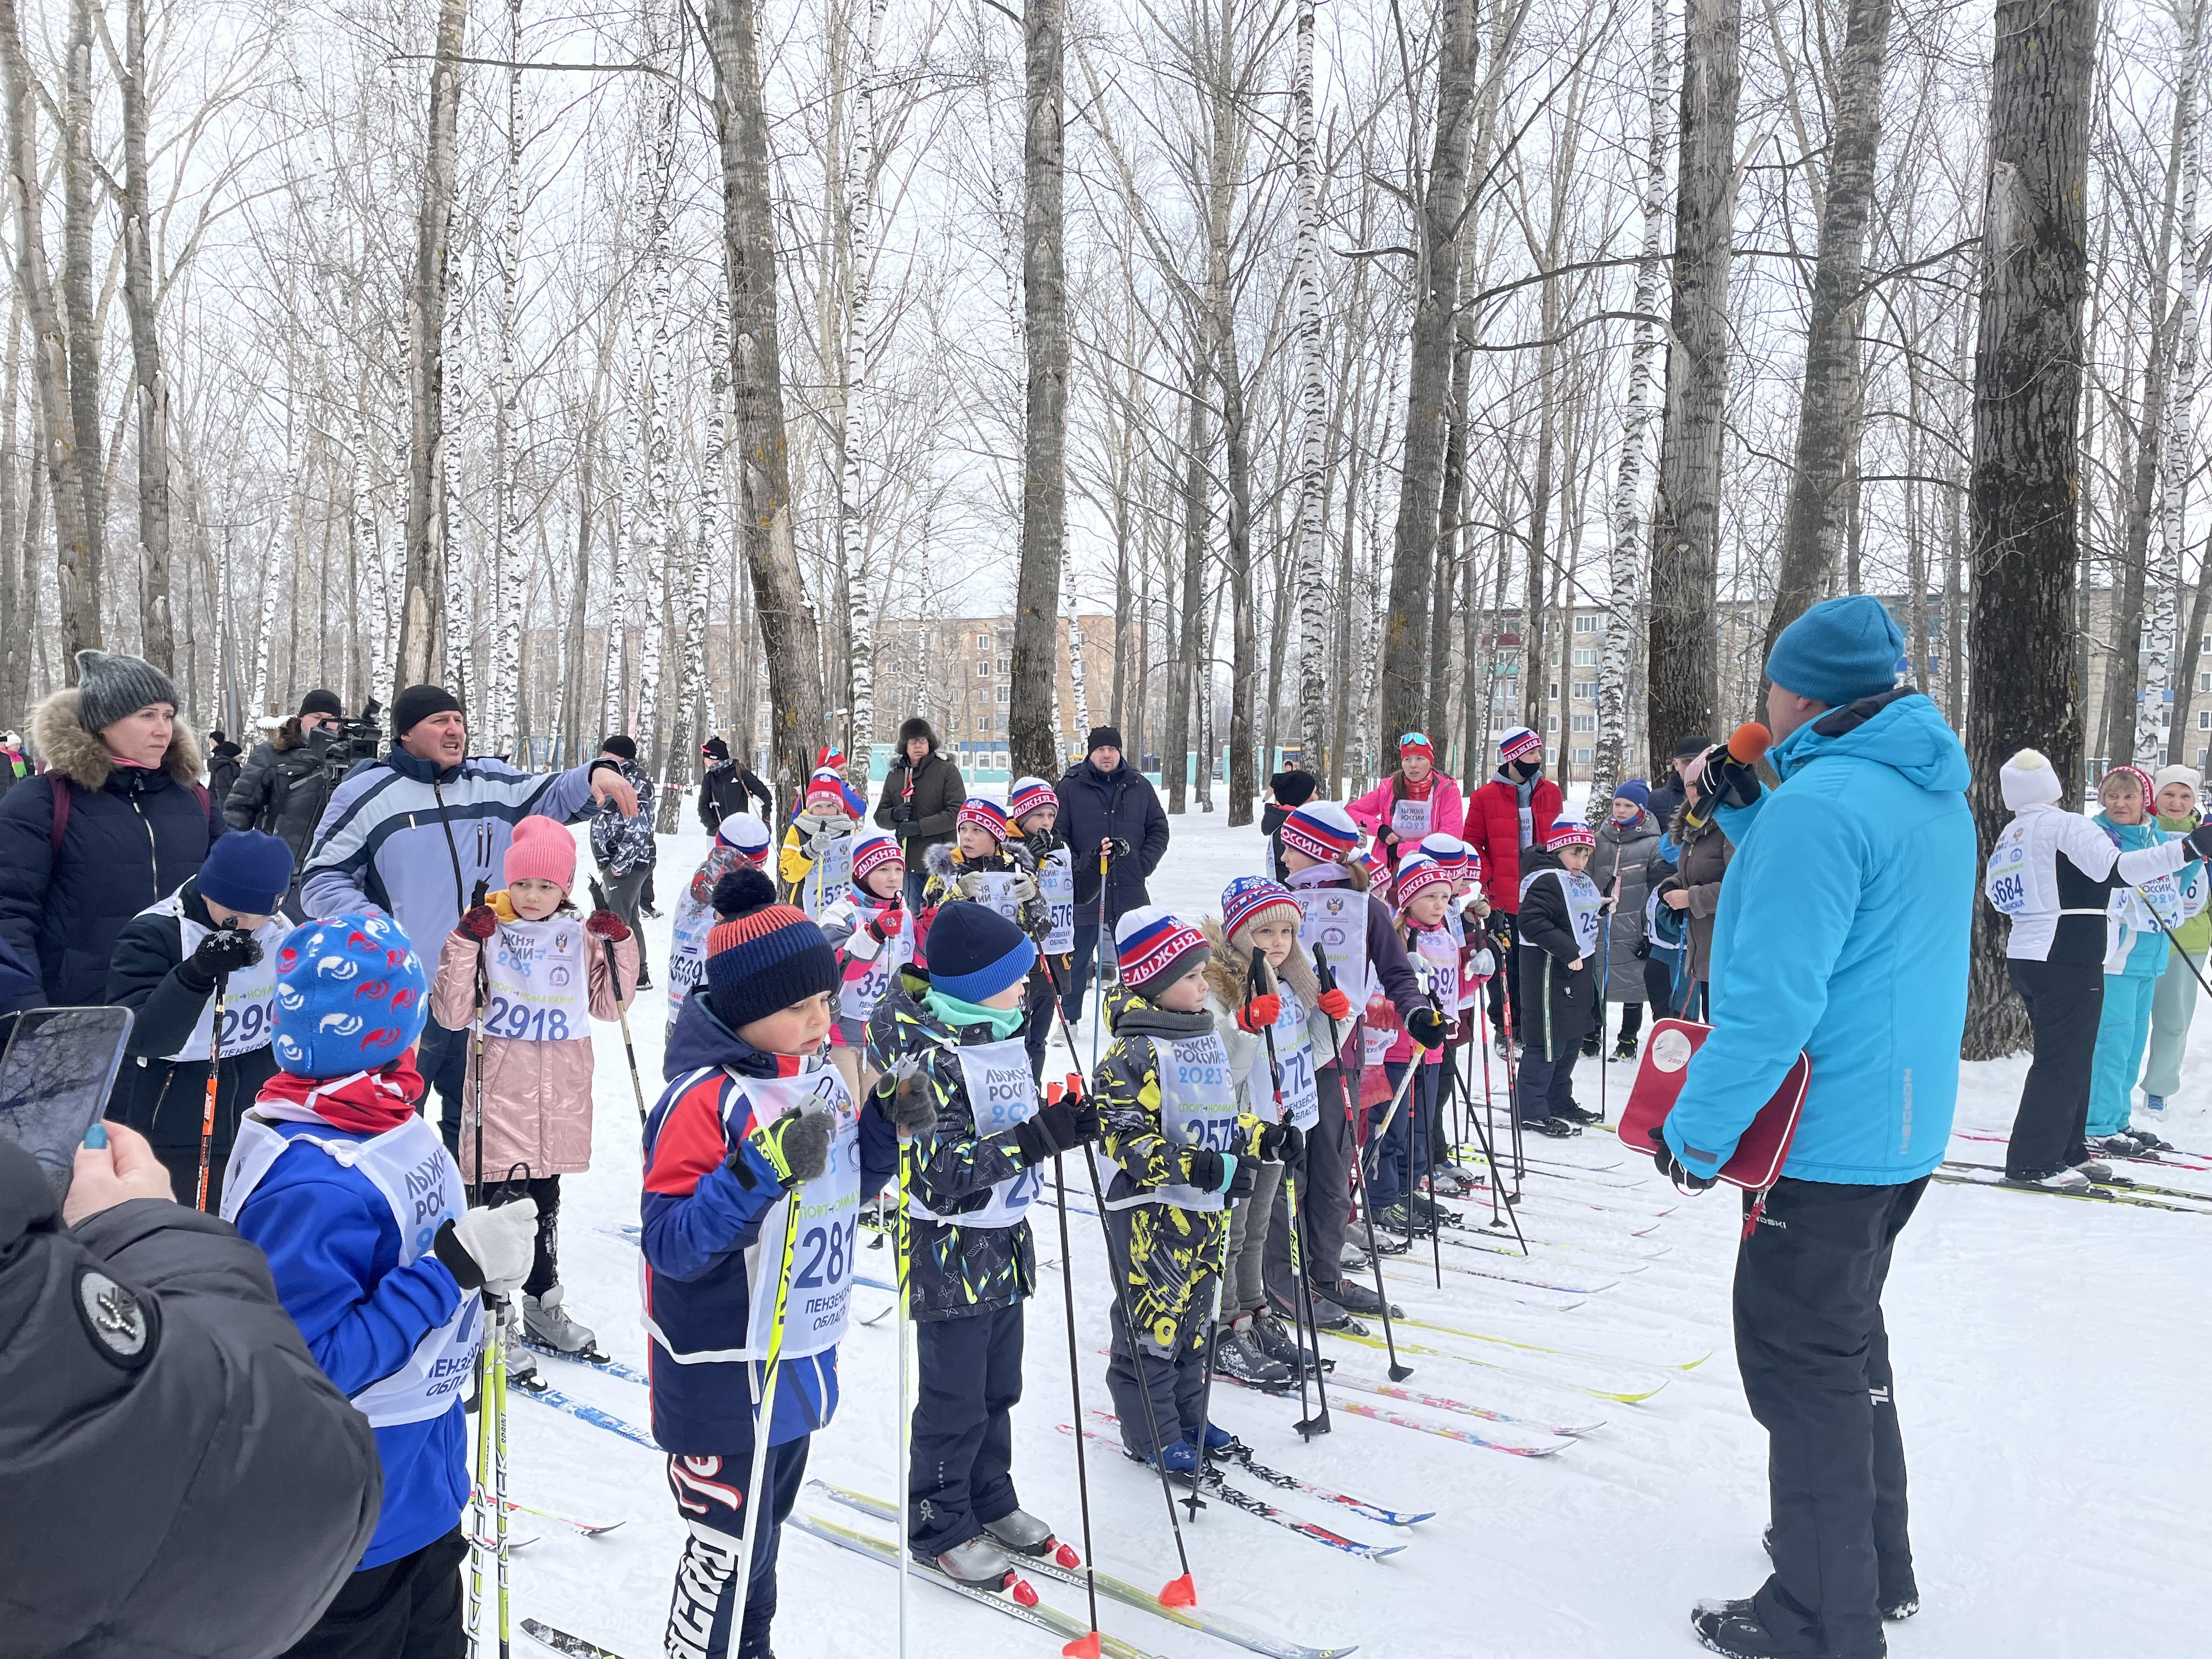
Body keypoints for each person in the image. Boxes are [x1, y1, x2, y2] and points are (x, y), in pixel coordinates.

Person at [1653, 594, 1974, 1659]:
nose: (1765, 703)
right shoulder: (1921, 787)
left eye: (1773, 686)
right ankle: (1870, 1563)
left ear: (1803, 694)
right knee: (1846, 1343)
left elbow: (1774, 1002)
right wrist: (1754, 814)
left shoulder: (1820, 807)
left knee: (1798, 1362)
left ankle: (1820, 1618)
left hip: (1824, 1136)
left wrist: (1696, 1134)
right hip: (1898, 1127)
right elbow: (1858, 905)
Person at [223, 913, 541, 1659]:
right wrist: (453, 1271)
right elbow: (310, 1366)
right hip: (343, 1526)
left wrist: (482, 1271)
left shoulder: (388, 1120)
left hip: (422, 1491)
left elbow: (420, 1248)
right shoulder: (312, 1181)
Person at [639, 867, 905, 1659]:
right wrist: (756, 1172)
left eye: (825, 1002)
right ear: (750, 1012)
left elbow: (842, 1185)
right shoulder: (701, 1100)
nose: (822, 1021)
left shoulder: (817, 1078)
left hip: (794, 1362)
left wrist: (888, 1128)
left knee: (764, 1542)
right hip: (723, 1375)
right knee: (725, 1553)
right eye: (800, 1008)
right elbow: (673, 1244)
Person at [2, 1117, 383, 1659]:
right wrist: (146, 1230)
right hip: (319, 1541)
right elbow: (292, 1457)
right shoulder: (309, 1178)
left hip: (411, 1500)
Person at [299, 682, 640, 1155]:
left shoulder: (492, 783)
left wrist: (595, 773)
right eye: (440, 721)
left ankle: (477, 1221)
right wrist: (380, 931)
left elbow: (557, 791)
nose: (454, 729)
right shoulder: (366, 793)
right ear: (406, 735)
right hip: (406, 994)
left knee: (483, 1127)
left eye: (458, 720)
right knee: (399, 1122)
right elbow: (320, 879)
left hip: (489, 990)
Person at [873, 900, 1101, 1582]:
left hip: (1004, 1240)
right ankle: (939, 1522)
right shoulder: (917, 1061)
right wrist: (1035, 1139)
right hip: (948, 1251)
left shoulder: (999, 1034)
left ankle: (988, 1496)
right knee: (954, 1397)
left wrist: (1060, 1122)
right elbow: (936, 1171)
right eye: (1015, 977)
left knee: (1000, 1386)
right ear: (973, 985)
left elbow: (1016, 1123)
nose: (1027, 987)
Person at [434, 816, 639, 1377]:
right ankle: (489, 1318)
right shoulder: (487, 929)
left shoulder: (577, 935)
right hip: (500, 1088)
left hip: (561, 1092)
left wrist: (618, 942)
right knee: (498, 1208)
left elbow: (609, 1006)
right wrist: (462, 942)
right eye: (523, 884)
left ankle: (542, 1302)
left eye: (546, 886)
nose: (532, 897)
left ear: (565, 889)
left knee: (544, 1203)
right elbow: (451, 1013)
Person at [1095, 907, 1288, 1469]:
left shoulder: (1200, 1038)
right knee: (1153, 1326)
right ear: (1155, 985)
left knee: (1196, 1324)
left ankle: (1188, 1415)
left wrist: (1265, 1140)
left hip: (1206, 1210)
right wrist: (1191, 1166)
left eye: (1203, 975)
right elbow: (1125, 1141)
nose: (1205, 987)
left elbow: (1220, 1118)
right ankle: (1151, 1432)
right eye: (1191, 978)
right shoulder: (1132, 1055)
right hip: (1152, 1217)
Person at [1987, 748, 2212, 1189]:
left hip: (2029, 954)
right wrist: (2190, 848)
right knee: (2060, 1062)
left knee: (2072, 1058)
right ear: (2052, 787)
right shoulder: (2065, 824)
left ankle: (2070, 1150)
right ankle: (2034, 1162)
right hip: (2068, 953)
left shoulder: (2012, 833)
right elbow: (2122, 869)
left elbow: (1999, 897)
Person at [1268, 800, 1441, 1327]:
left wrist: (1416, 1015)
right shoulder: (1274, 903)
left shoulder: (1365, 907)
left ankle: (1324, 1273)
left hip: (1339, 1052)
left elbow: (1396, 973)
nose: (1281, 852)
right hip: (1281, 1056)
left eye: (1290, 844)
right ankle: (1278, 1283)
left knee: (1331, 1165)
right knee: (1279, 1172)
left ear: (1311, 848)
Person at [0, 650, 223, 1007]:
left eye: (168, 715)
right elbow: (9, 916)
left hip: (183, 1010)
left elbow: (226, 896)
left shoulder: (195, 799)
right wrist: (26, 1016)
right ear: (102, 722)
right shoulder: (44, 800)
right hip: (81, 1015)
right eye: (146, 715)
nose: (162, 729)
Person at [105, 828, 297, 1204]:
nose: (251, 926)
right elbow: (144, 1038)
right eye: (237, 915)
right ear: (209, 891)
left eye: (264, 913)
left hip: (257, 1113)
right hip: (177, 1121)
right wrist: (196, 973)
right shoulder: (156, 933)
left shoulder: (280, 929)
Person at [1200, 877, 1319, 1386]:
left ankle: (1255, 1309)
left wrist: (1339, 1017)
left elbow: (1308, 1058)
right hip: (1243, 1127)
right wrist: (1245, 1026)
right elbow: (1221, 1072)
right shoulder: (1219, 987)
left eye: (1286, 932)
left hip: (1279, 1123)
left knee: (1261, 1227)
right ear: (1239, 934)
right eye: (1264, 931)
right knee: (1234, 1229)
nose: (1277, 943)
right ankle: (1226, 1325)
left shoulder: (1292, 985)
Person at [2082, 763, 2193, 1156]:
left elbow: (2182, 870)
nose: (2120, 803)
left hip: (2150, 957)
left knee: (2132, 1045)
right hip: (2115, 959)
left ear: (2144, 800)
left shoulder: (2154, 836)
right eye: (2112, 795)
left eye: (2129, 796)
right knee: (2110, 1044)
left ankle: (2117, 1119)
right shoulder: (2100, 836)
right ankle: (2096, 1123)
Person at [1054, 727, 1171, 1030]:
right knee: (1077, 958)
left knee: (1137, 955)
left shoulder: (1139, 785)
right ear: (1090, 753)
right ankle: (1069, 1018)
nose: (1107, 755)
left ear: (1120, 752)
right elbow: (1059, 835)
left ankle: (1140, 1016)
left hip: (1130, 886)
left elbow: (1159, 829)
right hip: (1085, 887)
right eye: (1100, 750)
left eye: (1112, 749)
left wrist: (1142, 863)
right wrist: (1081, 865)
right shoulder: (1069, 788)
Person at [1462, 726, 1561, 1053]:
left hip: (1543, 895)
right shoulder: (1484, 797)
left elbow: (1559, 841)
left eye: (1538, 752)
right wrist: (1489, 878)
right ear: (1513, 757)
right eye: (1532, 754)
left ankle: (1538, 1024)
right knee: (1506, 966)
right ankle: (1507, 1027)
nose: (1538, 759)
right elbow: (1472, 844)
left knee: (1539, 964)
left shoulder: (1551, 793)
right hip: (1502, 898)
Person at [1514, 821, 1606, 1138]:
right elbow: (1531, 921)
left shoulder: (1575, 880)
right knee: (1547, 1041)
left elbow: (1574, 913)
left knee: (1572, 1037)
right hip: (1549, 971)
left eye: (1585, 855)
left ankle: (1558, 1099)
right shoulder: (1547, 880)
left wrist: (1601, 908)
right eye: (1574, 853)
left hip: (1575, 972)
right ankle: (1531, 1109)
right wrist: (1567, 950)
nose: (1580, 861)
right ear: (1557, 850)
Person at [223, 690, 355, 901]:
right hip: (281, 874)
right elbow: (239, 809)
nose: (325, 725)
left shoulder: (352, 760)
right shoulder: (271, 755)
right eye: (317, 717)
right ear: (301, 718)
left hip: (335, 877)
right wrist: (233, 859)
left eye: (332, 720)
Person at [2140, 764, 2211, 1119]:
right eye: (2169, 793)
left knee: (2173, 1021)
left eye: (2185, 796)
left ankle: (2159, 1089)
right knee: (2126, 1021)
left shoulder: (2205, 837)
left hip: (2189, 943)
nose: (2177, 802)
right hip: (2139, 940)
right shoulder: (2142, 834)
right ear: (2156, 796)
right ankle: (2111, 1088)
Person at [669, 811, 774, 1027]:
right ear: (761, 859)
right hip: (723, 1018)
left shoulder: (692, 887)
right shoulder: (751, 901)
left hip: (680, 1006)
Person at [1654, 758, 1734, 1022]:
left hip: (1730, 949)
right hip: (1704, 947)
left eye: (1702, 784)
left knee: (1724, 1027)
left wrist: (1691, 897)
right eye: (1690, 784)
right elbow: (1698, 871)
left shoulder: (1731, 827)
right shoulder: (1696, 823)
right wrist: (1675, 883)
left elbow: (1743, 889)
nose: (1696, 791)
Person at [1008, 775, 1077, 1079]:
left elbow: (1080, 893)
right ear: (1022, 815)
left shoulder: (1061, 846)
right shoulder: (1007, 846)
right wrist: (1031, 857)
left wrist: (1103, 863)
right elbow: (1008, 887)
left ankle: (1034, 1092)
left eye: (1051, 814)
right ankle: (1017, 1091)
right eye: (1038, 815)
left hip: (1055, 953)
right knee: (1017, 1036)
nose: (1046, 821)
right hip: (1025, 957)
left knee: (1039, 1037)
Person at [918, 798, 1050, 956]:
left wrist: (1033, 899)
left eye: (977, 830)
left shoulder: (1016, 869)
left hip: (1008, 966)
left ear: (994, 835)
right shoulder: (946, 870)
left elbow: (1040, 933)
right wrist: (957, 892)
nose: (967, 837)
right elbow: (927, 927)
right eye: (963, 829)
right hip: (961, 967)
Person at [819, 831, 912, 1049]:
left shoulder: (904, 913)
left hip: (889, 1029)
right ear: (863, 873)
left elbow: (914, 963)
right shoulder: (841, 913)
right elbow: (836, 970)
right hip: (844, 1028)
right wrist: (874, 935)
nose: (894, 878)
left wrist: (927, 930)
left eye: (899, 869)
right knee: (848, 1084)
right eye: (883, 869)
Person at [1592, 780, 1662, 1059]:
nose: (1620, 810)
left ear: (1641, 810)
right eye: (1617, 804)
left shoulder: (1653, 844)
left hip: (1635, 924)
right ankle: (1591, 1034)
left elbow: (1657, 887)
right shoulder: (1599, 839)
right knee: (1596, 981)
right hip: (1598, 923)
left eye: (1628, 806)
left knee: (1633, 984)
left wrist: (1649, 930)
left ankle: (1627, 1040)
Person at [875, 717, 967, 911]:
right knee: (914, 917)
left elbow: (956, 813)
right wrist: (894, 815)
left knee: (941, 916)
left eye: (923, 740)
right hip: (909, 863)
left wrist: (919, 827)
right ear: (905, 745)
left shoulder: (946, 771)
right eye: (913, 741)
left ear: (930, 743)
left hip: (941, 863)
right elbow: (880, 816)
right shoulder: (896, 775)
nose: (918, 745)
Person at [1346, 732, 1466, 875]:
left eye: (1420, 758)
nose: (1413, 765)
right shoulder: (1388, 788)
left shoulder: (1447, 791)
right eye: (1407, 759)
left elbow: (1450, 837)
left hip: (1433, 870)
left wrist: (1402, 850)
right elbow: (1351, 812)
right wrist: (1380, 829)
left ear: (1430, 761)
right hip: (1389, 870)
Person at [589, 735, 658, 984]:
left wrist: (619, 865)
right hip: (618, 861)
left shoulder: (635, 782)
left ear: (620, 756)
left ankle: (621, 973)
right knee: (629, 918)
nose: (602, 758)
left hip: (629, 864)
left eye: (606, 754)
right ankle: (638, 973)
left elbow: (638, 828)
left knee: (616, 918)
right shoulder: (614, 778)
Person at [779, 759, 867, 918]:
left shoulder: (849, 830)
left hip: (843, 907)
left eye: (830, 806)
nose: (825, 812)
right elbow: (788, 874)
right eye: (818, 806)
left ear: (839, 807)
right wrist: (809, 852)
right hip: (804, 908)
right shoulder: (798, 830)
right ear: (810, 808)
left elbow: (861, 869)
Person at [698, 735, 775, 836]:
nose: (704, 761)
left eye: (706, 757)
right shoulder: (709, 778)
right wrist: (713, 827)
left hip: (741, 833)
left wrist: (766, 819)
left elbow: (765, 795)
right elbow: (703, 806)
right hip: (718, 835)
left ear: (714, 758)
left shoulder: (740, 772)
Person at [1644, 732, 1714, 831]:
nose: (1694, 765)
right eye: (1688, 761)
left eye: (1701, 761)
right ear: (1676, 764)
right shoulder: (1654, 801)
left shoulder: (1721, 797)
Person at [1261, 768, 1318, 881]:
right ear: (1303, 799)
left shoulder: (1287, 823)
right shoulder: (1290, 829)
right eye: (1314, 793)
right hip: (1294, 894)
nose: (1316, 798)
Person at [207, 730, 245, 803]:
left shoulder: (221, 759)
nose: (210, 742)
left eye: (211, 739)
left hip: (219, 796)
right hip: (225, 798)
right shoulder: (228, 765)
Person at [0, 726, 30, 800]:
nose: (3, 746)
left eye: (4, 744)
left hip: (5, 795)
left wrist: (13, 788)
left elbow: (12, 775)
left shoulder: (5, 758)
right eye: (1, 744)